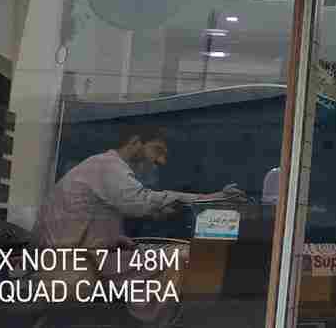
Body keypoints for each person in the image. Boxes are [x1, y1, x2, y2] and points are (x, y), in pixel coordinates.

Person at [31, 126, 244, 325]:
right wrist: (209, 198)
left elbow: (90, 214)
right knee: (182, 258)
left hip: (81, 254)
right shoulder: (107, 165)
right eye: (157, 150)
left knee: (174, 256)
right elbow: (141, 202)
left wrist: (114, 237)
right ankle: (162, 321)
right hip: (73, 261)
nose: (160, 161)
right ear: (134, 142)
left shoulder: (98, 166)